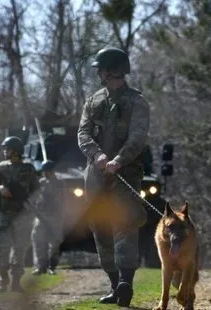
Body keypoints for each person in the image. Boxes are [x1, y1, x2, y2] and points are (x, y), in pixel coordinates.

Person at [77, 46, 150, 307]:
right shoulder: (93, 101)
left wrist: (119, 160)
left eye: (101, 69)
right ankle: (113, 284)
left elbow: (138, 138)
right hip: (95, 176)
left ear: (111, 71)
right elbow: (83, 134)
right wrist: (97, 156)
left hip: (126, 174)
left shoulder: (137, 102)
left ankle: (125, 284)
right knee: (100, 227)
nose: (98, 73)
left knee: (125, 226)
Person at [0, 136, 40, 293]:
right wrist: (0, 190)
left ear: (15, 151)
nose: (5, 151)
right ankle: (3, 279)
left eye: (7, 149)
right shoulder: (1, 167)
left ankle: (16, 282)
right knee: (1, 248)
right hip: (4, 214)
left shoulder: (29, 169)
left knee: (20, 249)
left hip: (22, 215)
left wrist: (29, 203)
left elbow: (36, 190)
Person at [31, 160, 65, 275]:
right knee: (38, 240)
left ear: (51, 171)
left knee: (55, 243)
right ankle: (41, 266)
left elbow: (61, 200)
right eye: (44, 171)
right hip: (41, 215)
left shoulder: (59, 184)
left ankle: (52, 266)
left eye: (47, 171)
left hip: (55, 216)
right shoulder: (41, 183)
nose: (44, 173)